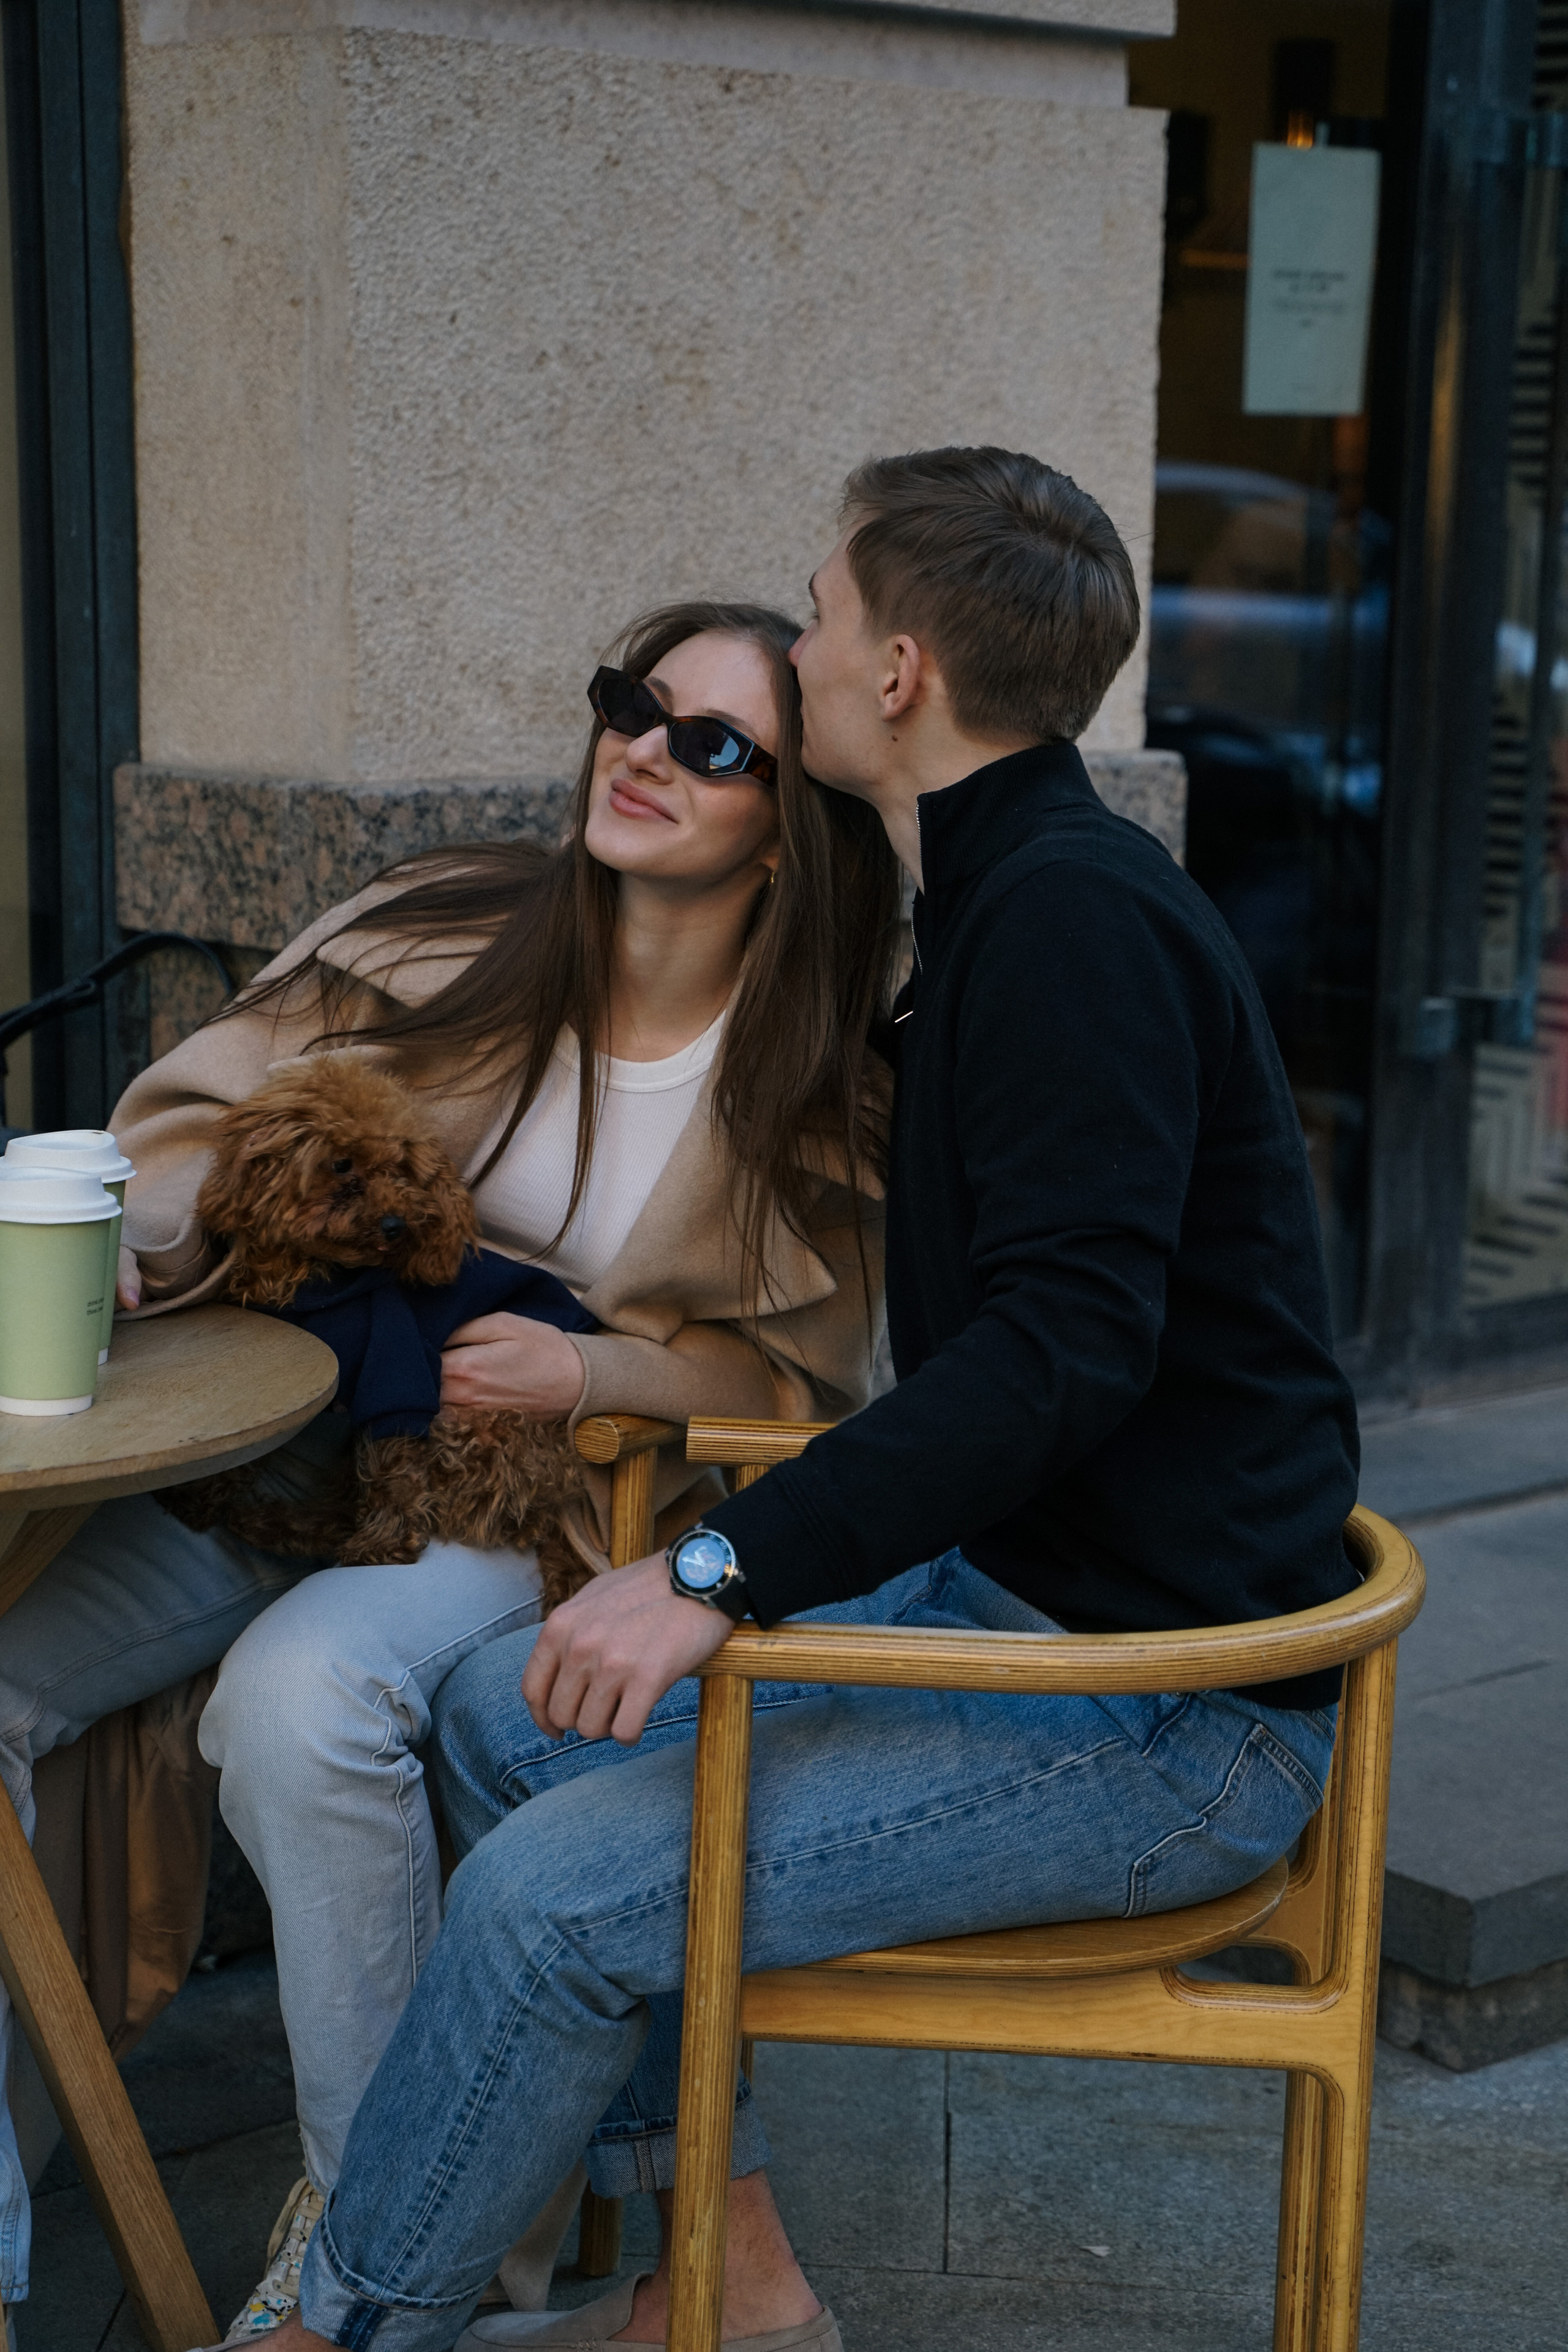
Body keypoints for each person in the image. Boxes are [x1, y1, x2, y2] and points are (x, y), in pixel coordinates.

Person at [242, 446, 1362, 2352]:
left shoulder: (1075, 924)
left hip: (1168, 1710)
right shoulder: (1013, 903)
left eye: (826, 611)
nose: (810, 637)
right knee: (506, 1716)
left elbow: (1057, 1354)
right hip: (1034, 1606)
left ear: (903, 671)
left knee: (548, 1899)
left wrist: (711, 1574)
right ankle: (734, 2285)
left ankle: (327, 2327)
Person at [0, 603, 899, 2340]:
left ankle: (382, 2262)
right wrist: (123, 1219)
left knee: (300, 1699)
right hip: (272, 1443)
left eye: (713, 743)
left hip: (527, 1503)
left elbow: (783, 1377)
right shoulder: (430, 933)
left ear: (791, 824)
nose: (644, 751)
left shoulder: (805, 1083)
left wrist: (588, 1366)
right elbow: (194, 1126)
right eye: (634, 707)